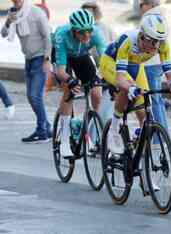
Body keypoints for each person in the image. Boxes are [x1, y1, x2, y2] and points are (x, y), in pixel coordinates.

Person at [99, 14, 171, 155]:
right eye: (152, 41)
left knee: (143, 108)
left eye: (158, 42)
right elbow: (120, 78)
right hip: (111, 62)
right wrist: (130, 87)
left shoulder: (162, 44)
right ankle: (113, 130)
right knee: (127, 87)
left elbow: (169, 73)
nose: (155, 46)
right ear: (142, 35)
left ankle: (138, 145)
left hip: (136, 65)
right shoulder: (128, 41)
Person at [52, 9, 106, 156]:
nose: (87, 35)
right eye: (82, 32)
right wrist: (70, 80)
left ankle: (86, 128)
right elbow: (60, 71)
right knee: (69, 90)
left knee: (96, 91)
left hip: (82, 56)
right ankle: (63, 140)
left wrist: (99, 77)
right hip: (64, 60)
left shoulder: (96, 33)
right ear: (74, 30)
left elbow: (107, 61)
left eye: (89, 31)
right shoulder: (62, 36)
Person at [1, 0, 52, 143]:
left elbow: (47, 37)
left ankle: (42, 131)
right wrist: (8, 22)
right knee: (31, 97)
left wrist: (47, 59)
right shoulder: (13, 14)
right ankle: (46, 127)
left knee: (34, 96)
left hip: (40, 57)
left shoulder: (36, 13)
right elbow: (4, 34)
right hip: (28, 59)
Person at [81, 0, 116, 126]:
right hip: (95, 69)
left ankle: (102, 136)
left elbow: (107, 52)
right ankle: (97, 135)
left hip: (106, 69)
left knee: (103, 109)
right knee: (99, 108)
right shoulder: (86, 28)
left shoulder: (103, 29)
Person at [139, 0, 170, 134]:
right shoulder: (162, 17)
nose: (140, 7)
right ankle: (164, 135)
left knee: (152, 102)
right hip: (159, 63)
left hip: (149, 64)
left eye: (142, 4)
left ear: (150, 5)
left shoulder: (149, 17)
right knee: (158, 101)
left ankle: (158, 138)